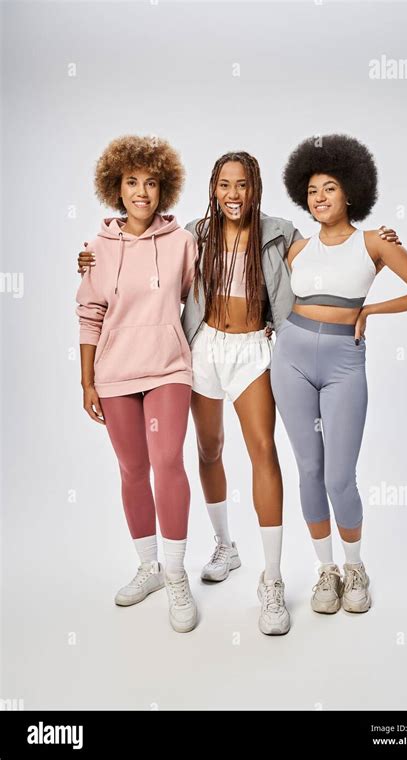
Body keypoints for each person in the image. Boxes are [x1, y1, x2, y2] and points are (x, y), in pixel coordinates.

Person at [78, 148, 401, 635]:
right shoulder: (193, 235)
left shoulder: (279, 235)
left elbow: (327, 260)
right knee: (208, 449)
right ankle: (226, 547)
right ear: (213, 188)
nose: (233, 194)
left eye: (243, 185)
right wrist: (93, 255)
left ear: (255, 189)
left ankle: (270, 579)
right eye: (225, 185)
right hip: (204, 347)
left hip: (253, 350)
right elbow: (145, 254)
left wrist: (377, 248)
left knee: (262, 451)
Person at [270, 134, 407, 615]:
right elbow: (256, 277)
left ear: (351, 193)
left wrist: (371, 311)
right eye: (311, 191)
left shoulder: (374, 243)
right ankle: (324, 571)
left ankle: (354, 567)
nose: (319, 197)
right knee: (309, 469)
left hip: (345, 361)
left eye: (329, 188)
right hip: (291, 358)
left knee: (340, 476)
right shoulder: (296, 249)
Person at [76, 135, 199, 633]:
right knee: (132, 469)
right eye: (131, 182)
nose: (141, 192)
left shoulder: (182, 242)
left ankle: (175, 574)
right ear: (116, 188)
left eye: (151, 183)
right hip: (115, 374)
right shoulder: (96, 248)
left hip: (168, 368)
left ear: (163, 188)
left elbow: (195, 300)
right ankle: (148, 566)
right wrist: (87, 380)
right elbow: (89, 312)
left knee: (168, 461)